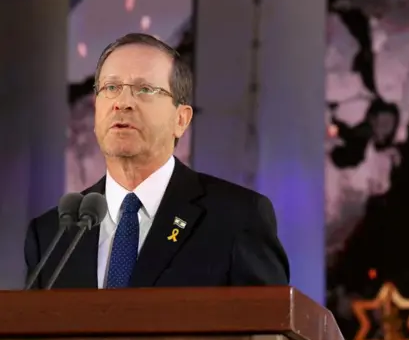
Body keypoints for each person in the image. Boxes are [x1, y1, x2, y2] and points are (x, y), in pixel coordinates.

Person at [24, 33, 290, 289]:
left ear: (181, 119)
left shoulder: (236, 218)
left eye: (145, 89)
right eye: (111, 87)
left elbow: (269, 331)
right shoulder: (52, 236)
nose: (122, 103)